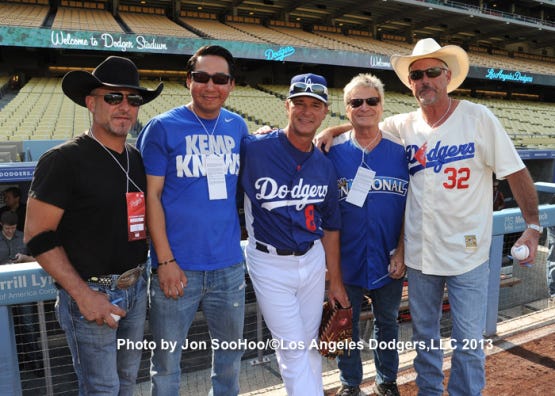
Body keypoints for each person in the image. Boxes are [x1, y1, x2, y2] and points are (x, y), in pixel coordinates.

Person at [317, 38, 541, 396]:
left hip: (467, 255)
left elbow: (515, 172)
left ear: (447, 76)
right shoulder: (403, 126)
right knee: (425, 339)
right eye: (416, 74)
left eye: (432, 72)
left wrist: (531, 226)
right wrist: (332, 130)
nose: (424, 80)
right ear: (410, 83)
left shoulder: (478, 117)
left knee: (468, 342)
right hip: (420, 257)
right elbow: (365, 122)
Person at [24, 56, 162, 394]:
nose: (124, 106)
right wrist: (84, 295)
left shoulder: (137, 157)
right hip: (92, 293)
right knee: (102, 388)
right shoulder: (63, 159)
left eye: (133, 99)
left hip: (135, 289)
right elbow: (37, 236)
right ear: (91, 102)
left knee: (128, 383)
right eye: (113, 97)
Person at [137, 45, 247, 396]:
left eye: (220, 79)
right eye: (201, 77)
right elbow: (149, 197)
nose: (210, 86)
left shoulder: (238, 126)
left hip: (228, 267)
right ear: (188, 81)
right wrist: (165, 260)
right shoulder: (162, 128)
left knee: (229, 362)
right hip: (176, 268)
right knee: (167, 365)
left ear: (231, 85)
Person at [240, 73, 349, 395]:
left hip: (313, 261)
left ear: (325, 111)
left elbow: (331, 226)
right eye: (299, 103)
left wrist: (336, 280)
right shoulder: (254, 148)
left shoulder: (324, 165)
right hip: (269, 262)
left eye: (314, 105)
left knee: (311, 346)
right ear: (286, 106)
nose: (306, 111)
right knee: (291, 349)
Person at [326, 74, 408, 396]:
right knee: (343, 324)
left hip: (388, 257)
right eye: (356, 102)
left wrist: (402, 250)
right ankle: (349, 385)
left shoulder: (400, 152)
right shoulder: (330, 151)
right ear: (346, 109)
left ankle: (386, 381)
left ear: (381, 105)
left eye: (371, 101)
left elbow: (410, 209)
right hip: (345, 260)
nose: (364, 107)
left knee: (387, 323)